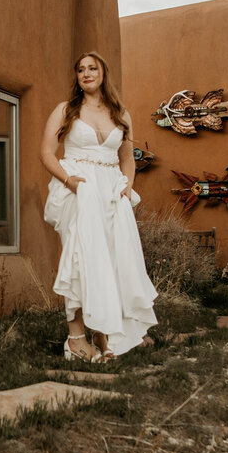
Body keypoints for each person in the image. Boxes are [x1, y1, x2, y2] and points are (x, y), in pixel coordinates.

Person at [40, 51, 157, 362]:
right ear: (76, 77)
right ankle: (76, 338)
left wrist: (127, 186)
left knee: (113, 261)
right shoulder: (66, 110)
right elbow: (47, 153)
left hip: (111, 193)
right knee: (81, 260)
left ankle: (106, 332)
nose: (86, 73)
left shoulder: (121, 114)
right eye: (80, 69)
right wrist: (70, 182)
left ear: (103, 73)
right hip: (80, 191)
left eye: (92, 68)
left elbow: (127, 160)